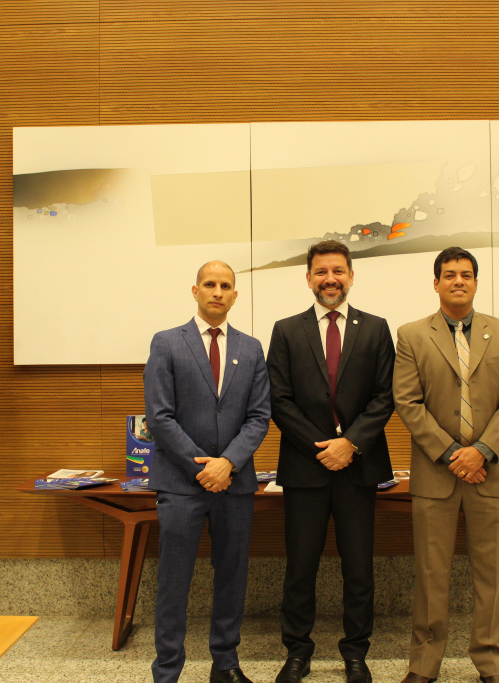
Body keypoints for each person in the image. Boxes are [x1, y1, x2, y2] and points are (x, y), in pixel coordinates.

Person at [393, 247, 499, 683]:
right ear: (436, 283)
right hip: (437, 473)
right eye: (449, 274)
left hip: (491, 471)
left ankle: (491, 661)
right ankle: (424, 663)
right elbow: (407, 402)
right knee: (431, 574)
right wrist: (454, 454)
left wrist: (481, 450)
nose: (458, 281)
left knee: (491, 576)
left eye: (466, 275)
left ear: (475, 282)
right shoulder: (412, 335)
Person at [266, 240, 395, 683]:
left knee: (359, 568)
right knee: (300, 568)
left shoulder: (376, 328)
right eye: (321, 272)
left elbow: (385, 395)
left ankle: (356, 653)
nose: (330, 279)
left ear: (351, 276)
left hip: (359, 469)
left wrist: (350, 444)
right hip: (306, 468)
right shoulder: (286, 330)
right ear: (308, 279)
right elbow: (279, 399)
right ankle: (297, 652)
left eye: (338, 270)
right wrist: (323, 447)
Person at [144, 260, 271, 683]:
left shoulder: (251, 348)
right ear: (195, 291)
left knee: (232, 576)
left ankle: (226, 664)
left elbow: (259, 416)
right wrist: (202, 467)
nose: (218, 291)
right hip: (181, 484)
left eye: (226, 285)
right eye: (210, 284)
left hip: (234, 483)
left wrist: (228, 463)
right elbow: (159, 417)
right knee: (174, 580)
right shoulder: (166, 342)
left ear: (235, 295)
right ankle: (167, 671)